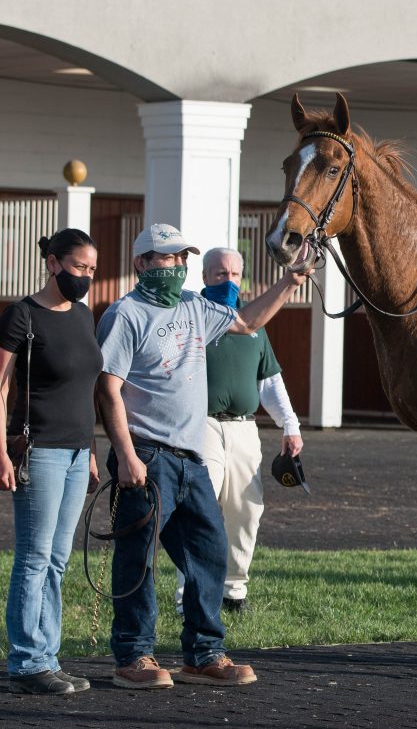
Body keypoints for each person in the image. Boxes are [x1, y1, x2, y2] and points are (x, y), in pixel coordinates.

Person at [95, 224, 308, 689]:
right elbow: (108, 389)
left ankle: (203, 652)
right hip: (147, 454)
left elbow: (248, 322)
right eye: (166, 259)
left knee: (208, 554)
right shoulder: (125, 314)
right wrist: (127, 454)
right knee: (139, 557)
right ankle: (134, 655)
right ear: (141, 264)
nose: (176, 267)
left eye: (180, 259)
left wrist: (289, 282)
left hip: (191, 456)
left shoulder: (194, 305)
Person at [0, 229, 102, 695]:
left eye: (92, 270)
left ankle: (47, 657)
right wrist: (1, 451)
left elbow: (89, 387)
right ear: (54, 264)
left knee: (57, 560)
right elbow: (0, 387)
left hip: (79, 452)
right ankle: (25, 662)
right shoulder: (22, 315)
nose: (86, 276)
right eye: (80, 267)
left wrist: (94, 450)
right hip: (38, 450)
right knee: (35, 557)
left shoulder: (83, 315)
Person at [174, 247, 303, 614]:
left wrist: (289, 425)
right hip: (203, 426)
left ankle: (233, 591)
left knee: (247, 509)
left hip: (245, 429)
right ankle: (190, 595)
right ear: (205, 276)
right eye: (220, 274)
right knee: (201, 509)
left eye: (234, 275)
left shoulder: (254, 322)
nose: (228, 281)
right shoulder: (193, 315)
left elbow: (270, 381)